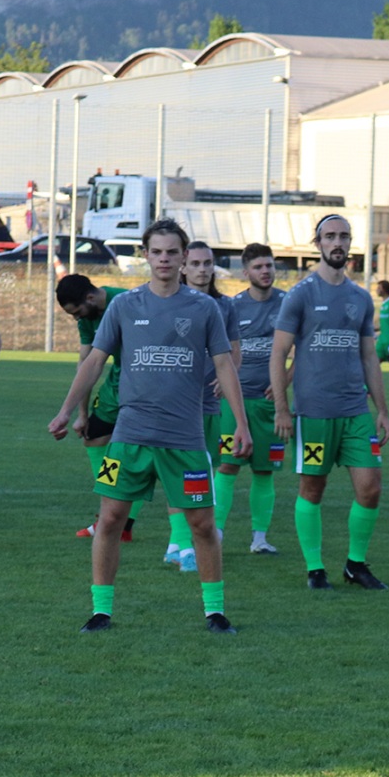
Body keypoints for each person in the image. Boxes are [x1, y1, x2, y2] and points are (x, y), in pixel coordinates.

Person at [49, 217, 250, 633]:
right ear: (145, 255)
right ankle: (101, 611)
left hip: (185, 439)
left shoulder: (204, 308)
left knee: (202, 525)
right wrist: (67, 410)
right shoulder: (125, 305)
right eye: (156, 252)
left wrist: (242, 424)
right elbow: (94, 361)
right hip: (130, 437)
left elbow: (224, 365)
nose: (164, 259)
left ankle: (215, 612)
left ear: (183, 257)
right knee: (110, 519)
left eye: (172, 252)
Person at [271, 214, 389, 591]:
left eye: (343, 236)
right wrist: (282, 408)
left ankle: (355, 564)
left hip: (355, 411)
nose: (337, 242)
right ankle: (315, 568)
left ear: (350, 243)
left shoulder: (360, 298)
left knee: (370, 488)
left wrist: (382, 410)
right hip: (315, 413)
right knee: (312, 489)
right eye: (330, 236)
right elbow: (279, 353)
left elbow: (369, 357)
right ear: (318, 243)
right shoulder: (300, 295)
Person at [161, 240, 239, 572]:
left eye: (207, 263)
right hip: (176, 404)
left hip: (208, 404)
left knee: (202, 473)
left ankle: (185, 542)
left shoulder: (225, 306)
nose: (202, 269)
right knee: (179, 473)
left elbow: (234, 352)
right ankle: (182, 545)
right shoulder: (169, 303)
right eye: (195, 263)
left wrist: (225, 376)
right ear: (183, 266)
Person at [55, 272, 140, 542]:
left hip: (142, 384)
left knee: (142, 453)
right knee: (94, 438)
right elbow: (86, 363)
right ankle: (114, 518)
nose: (76, 318)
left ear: (90, 297)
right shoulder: (87, 319)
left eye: (77, 312)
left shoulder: (126, 301)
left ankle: (120, 521)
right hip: (116, 385)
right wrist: (81, 414)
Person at [215, 243, 287, 553]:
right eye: (258, 267)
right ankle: (215, 533)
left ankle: (260, 539)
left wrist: (284, 381)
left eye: (269, 265)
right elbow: (220, 351)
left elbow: (303, 348)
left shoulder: (287, 303)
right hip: (235, 403)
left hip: (270, 405)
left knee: (264, 470)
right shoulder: (232, 307)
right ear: (245, 272)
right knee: (227, 466)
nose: (265, 271)